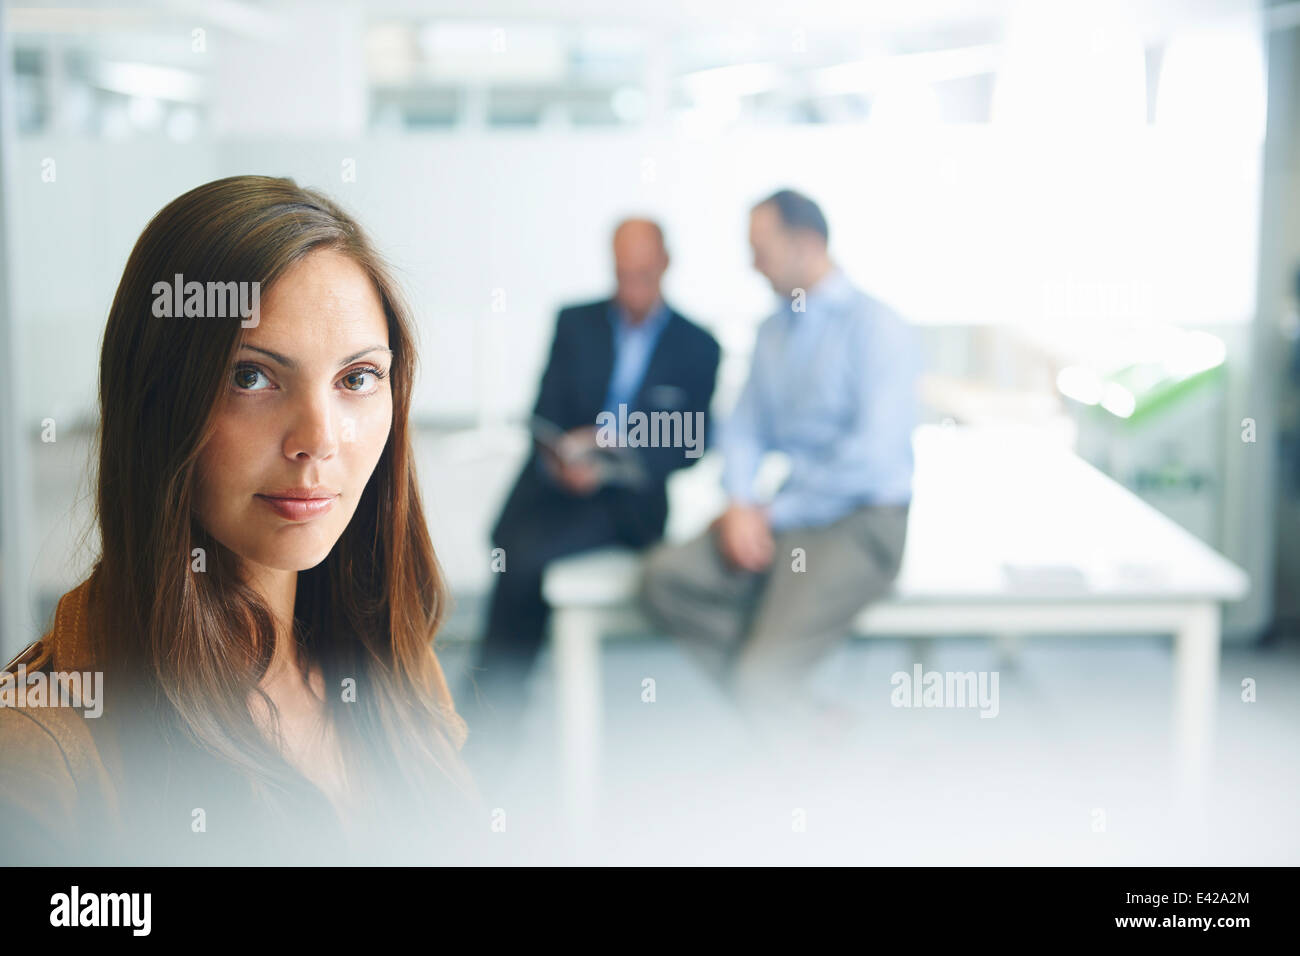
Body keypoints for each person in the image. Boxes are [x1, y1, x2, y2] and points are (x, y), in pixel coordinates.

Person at [0, 175, 479, 865]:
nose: (317, 438)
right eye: (252, 377)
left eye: (357, 378)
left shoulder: (389, 656)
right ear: (155, 401)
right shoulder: (41, 748)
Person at [640, 188, 920, 744]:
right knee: (663, 579)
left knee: (760, 679)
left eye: (761, 248)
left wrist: (769, 512)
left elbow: (872, 459)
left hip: (864, 522)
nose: (752, 264)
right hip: (788, 517)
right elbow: (744, 428)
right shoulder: (773, 332)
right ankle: (790, 701)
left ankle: (790, 711)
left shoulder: (877, 327)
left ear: (807, 243)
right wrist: (741, 502)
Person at [462, 219, 720, 758]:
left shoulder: (698, 346)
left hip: (630, 503)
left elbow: (691, 444)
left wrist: (620, 449)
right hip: (559, 485)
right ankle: (491, 710)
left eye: (643, 274)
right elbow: (544, 410)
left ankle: (490, 716)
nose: (631, 287)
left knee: (525, 560)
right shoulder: (576, 322)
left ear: (667, 264)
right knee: (510, 543)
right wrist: (565, 453)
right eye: (622, 273)